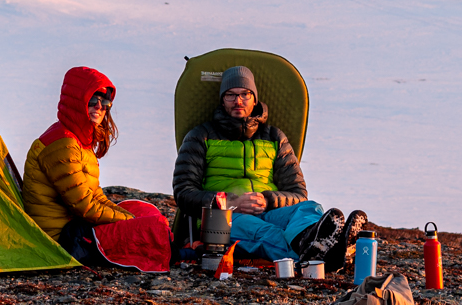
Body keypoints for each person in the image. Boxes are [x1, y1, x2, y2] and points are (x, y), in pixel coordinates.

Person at [171, 65, 368, 272]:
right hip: (223, 220)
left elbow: (298, 193)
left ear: (254, 99)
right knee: (266, 232)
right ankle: (327, 257)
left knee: (309, 208)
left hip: (270, 211)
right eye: (230, 95)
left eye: (245, 94)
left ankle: (319, 246)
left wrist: (267, 200)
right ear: (222, 100)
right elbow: (184, 193)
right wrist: (230, 202)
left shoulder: (274, 137)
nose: (238, 101)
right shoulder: (200, 136)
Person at [24, 66, 134, 265]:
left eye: (105, 101)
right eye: (93, 100)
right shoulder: (62, 144)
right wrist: (130, 224)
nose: (100, 107)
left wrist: (130, 218)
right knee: (134, 236)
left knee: (146, 216)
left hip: (72, 229)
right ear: (77, 102)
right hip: (59, 239)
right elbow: (85, 206)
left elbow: (96, 196)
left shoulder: (81, 143)